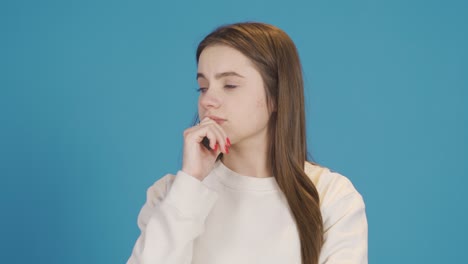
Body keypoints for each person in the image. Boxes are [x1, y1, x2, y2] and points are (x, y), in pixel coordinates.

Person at [127, 22, 367, 264]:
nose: (208, 100)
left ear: (276, 97)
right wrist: (190, 182)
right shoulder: (171, 194)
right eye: (202, 87)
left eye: (230, 85)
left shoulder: (332, 197)